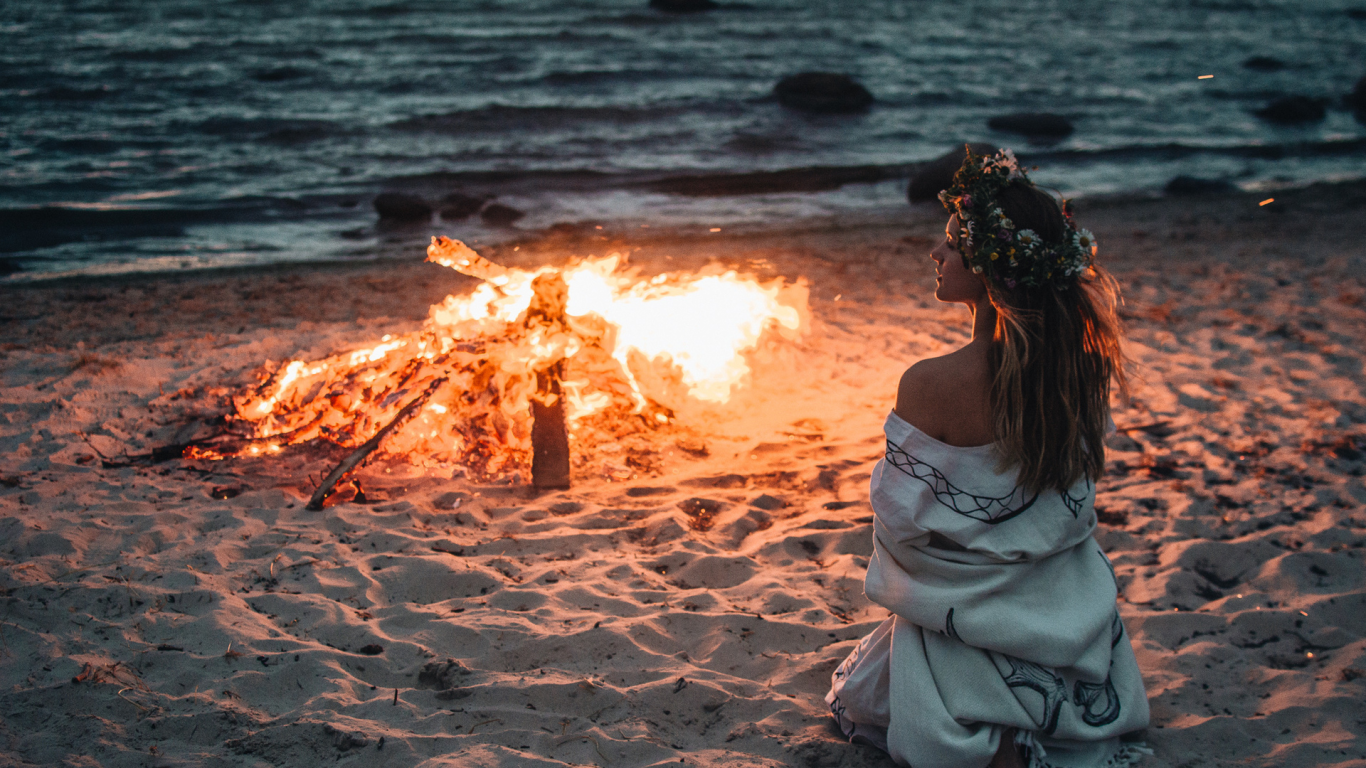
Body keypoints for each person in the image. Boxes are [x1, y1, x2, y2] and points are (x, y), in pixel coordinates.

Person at [825, 148, 1150, 768]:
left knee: (869, 683)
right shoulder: (1079, 373)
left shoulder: (929, 383)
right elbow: (1069, 516)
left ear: (991, 266)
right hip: (1059, 599)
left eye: (951, 243)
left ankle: (989, 714)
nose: (936, 254)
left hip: (965, 603)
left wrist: (952, 575)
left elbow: (901, 534)